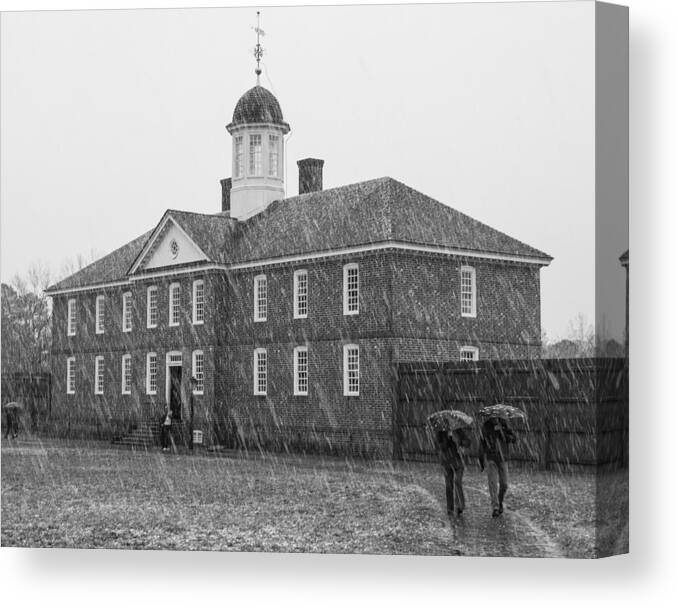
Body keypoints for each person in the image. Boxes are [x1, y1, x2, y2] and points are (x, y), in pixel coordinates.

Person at [479, 417, 516, 518]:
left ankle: (499, 501)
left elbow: (513, 439)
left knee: (504, 484)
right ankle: (495, 507)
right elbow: (482, 443)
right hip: (491, 458)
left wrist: (501, 432)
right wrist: (481, 459)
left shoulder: (505, 424)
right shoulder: (486, 426)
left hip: (503, 458)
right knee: (493, 483)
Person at [435, 427, 471, 517]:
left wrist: (459, 442)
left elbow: (468, 442)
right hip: (447, 461)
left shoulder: (459, 430)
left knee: (457, 481)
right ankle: (450, 508)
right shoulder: (441, 433)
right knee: (449, 485)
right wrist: (448, 438)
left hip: (459, 461)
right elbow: (440, 447)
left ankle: (460, 506)